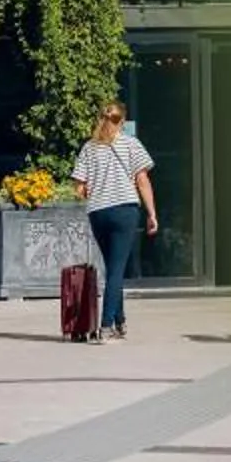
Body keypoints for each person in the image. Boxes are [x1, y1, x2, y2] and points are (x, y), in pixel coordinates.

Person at [71, 102, 158, 342]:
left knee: (113, 268)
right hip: (125, 211)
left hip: (98, 212)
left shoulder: (89, 147)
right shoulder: (131, 144)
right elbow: (142, 180)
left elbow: (79, 188)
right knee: (117, 269)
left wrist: (94, 189)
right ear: (122, 121)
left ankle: (120, 321)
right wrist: (152, 213)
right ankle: (106, 325)